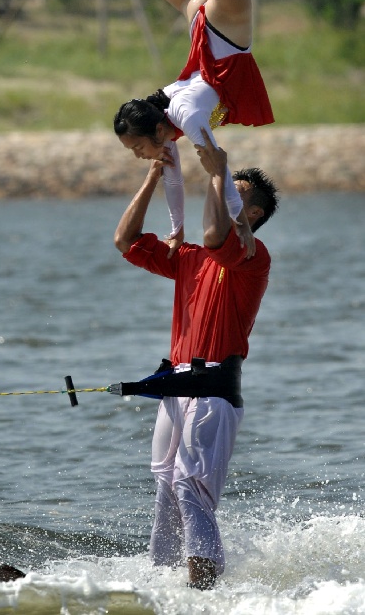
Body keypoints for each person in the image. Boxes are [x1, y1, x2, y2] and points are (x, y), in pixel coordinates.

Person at [24, 0, 274, 259]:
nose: (140, 156)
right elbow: (173, 185)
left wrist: (240, 222)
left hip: (226, 34)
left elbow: (219, 168)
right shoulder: (169, 132)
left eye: (138, 147)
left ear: (157, 130)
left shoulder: (186, 115)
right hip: (204, 32)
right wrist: (176, 231)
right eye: (135, 152)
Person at [113, 128, 279, 589]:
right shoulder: (189, 258)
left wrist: (218, 173)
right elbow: (125, 240)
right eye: (225, 186)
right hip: (177, 386)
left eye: (236, 193)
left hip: (213, 392)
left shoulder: (249, 253)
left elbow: (213, 233)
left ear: (254, 213)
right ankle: (163, 583)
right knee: (166, 485)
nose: (226, 191)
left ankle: (202, 591)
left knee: (192, 490)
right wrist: (153, 175)